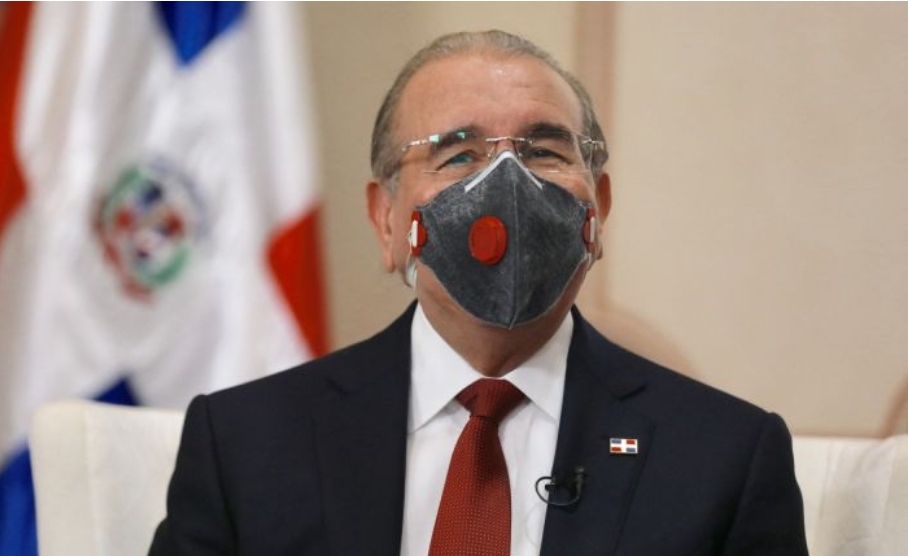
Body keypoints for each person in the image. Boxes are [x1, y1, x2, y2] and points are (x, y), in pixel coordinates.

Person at [150, 30, 807, 556]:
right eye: (458, 155)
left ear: (598, 209)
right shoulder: (245, 445)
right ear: (387, 220)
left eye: (544, 151)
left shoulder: (725, 459)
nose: (508, 185)